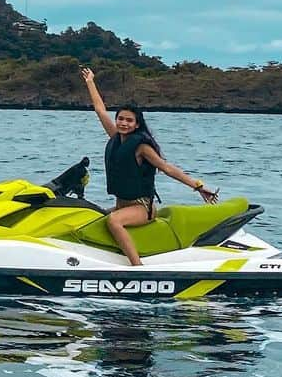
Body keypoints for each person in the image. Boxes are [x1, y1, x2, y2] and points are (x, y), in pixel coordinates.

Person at [80, 66, 217, 266]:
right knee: (89, 216)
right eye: (120, 119)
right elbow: (100, 110)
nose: (123, 123)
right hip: (121, 204)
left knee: (114, 221)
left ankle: (137, 268)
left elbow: (167, 168)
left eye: (129, 120)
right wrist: (90, 81)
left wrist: (198, 186)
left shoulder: (141, 146)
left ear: (136, 125)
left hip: (142, 208)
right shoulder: (116, 138)